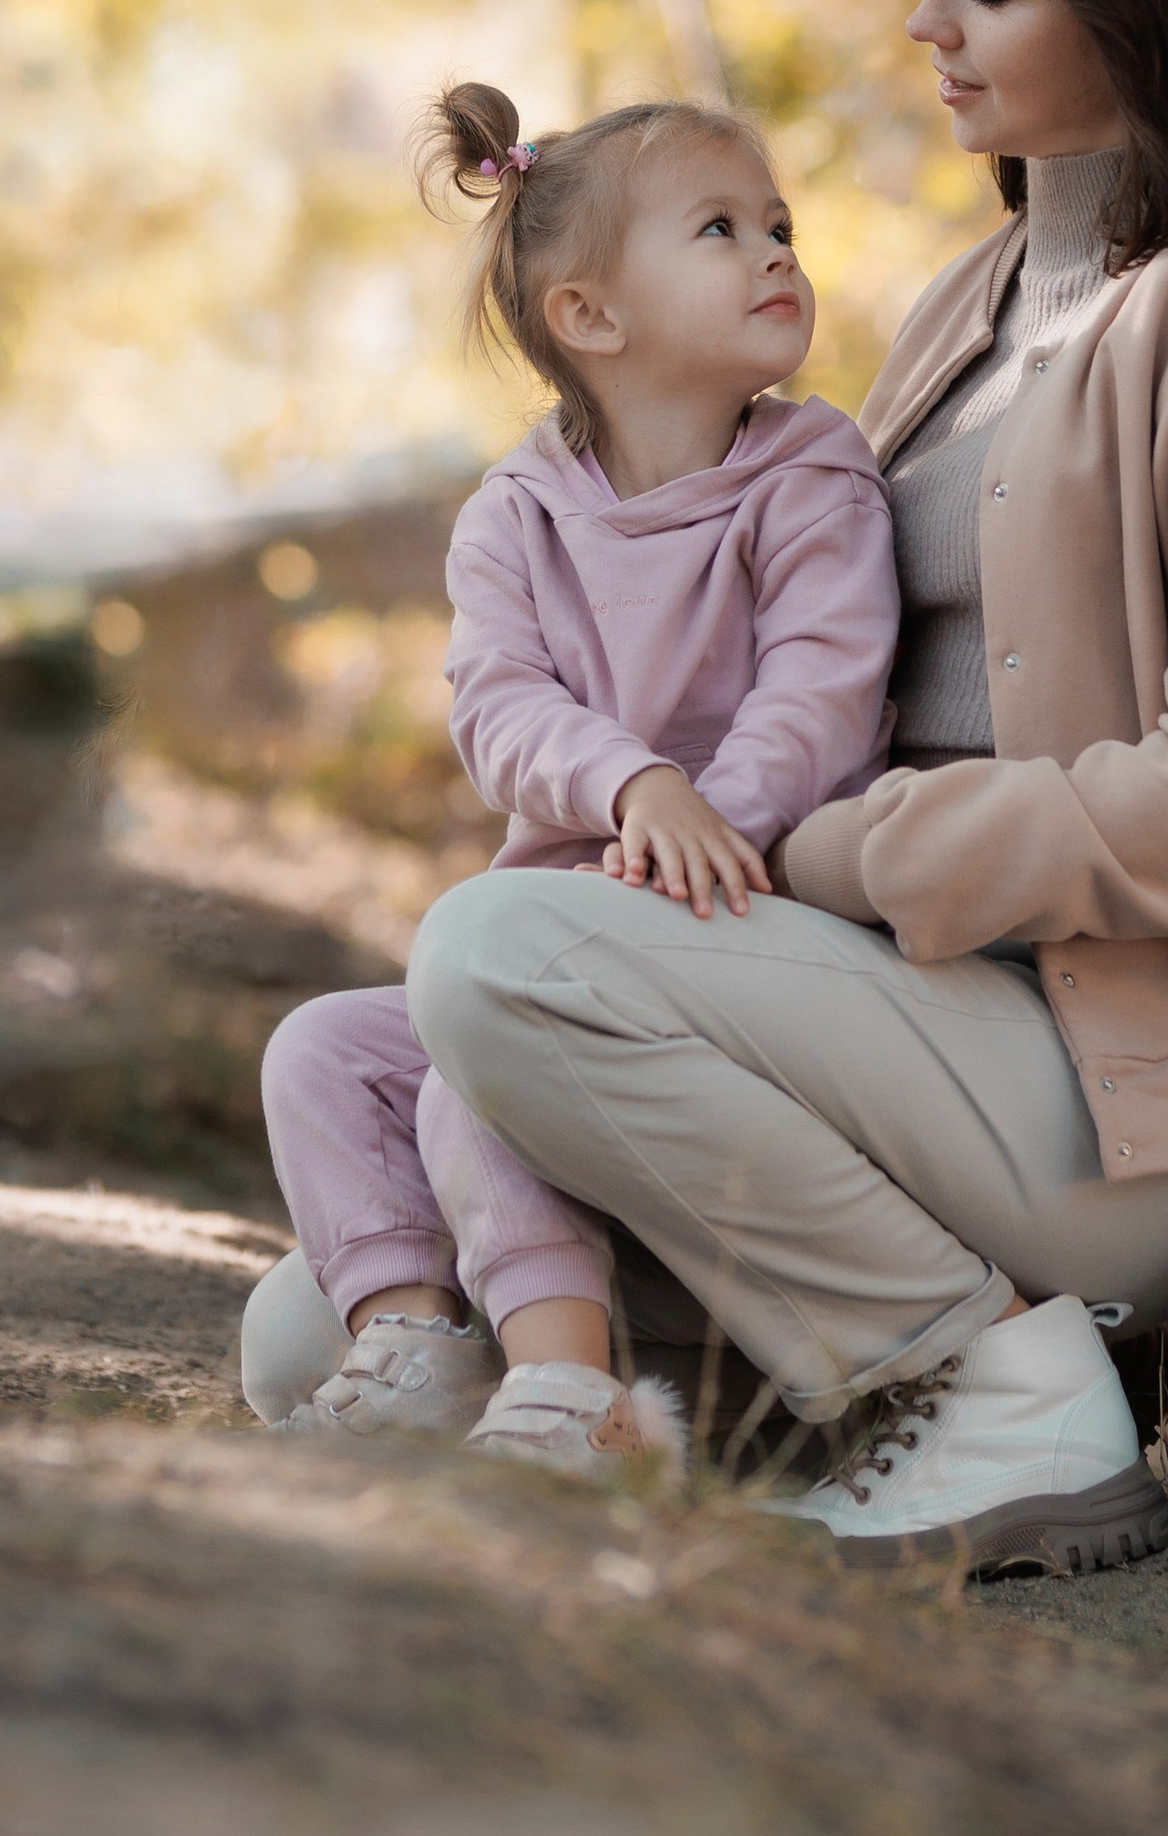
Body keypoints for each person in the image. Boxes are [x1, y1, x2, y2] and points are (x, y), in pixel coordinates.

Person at [408, 0, 1168, 1571]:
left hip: (1099, 1089)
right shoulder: (972, 297)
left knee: (492, 950)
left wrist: (840, 850)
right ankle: (865, 1399)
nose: (927, 17)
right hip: (871, 1029)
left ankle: (993, 1391)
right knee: (328, 1324)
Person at [241, 83, 897, 1474]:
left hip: (739, 921)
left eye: (778, 221)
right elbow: (499, 707)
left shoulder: (810, 472)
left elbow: (823, 692)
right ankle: (415, 1331)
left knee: (472, 1071)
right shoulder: (518, 514)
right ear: (589, 317)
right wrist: (631, 786)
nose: (778, 249)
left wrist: (710, 822)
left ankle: (571, 1389)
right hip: (560, 919)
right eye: (721, 226)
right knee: (326, 1052)